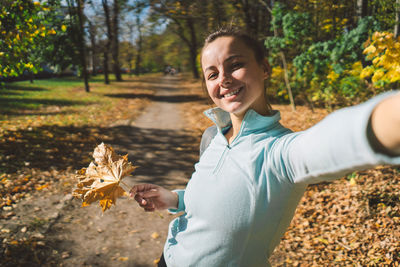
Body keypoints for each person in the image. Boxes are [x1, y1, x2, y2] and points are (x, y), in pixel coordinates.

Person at [130, 27, 400, 267]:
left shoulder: (281, 152)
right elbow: (215, 196)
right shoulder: (212, 136)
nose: (223, 79)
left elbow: (338, 137)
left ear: (265, 68)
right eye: (212, 74)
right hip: (169, 257)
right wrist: (176, 199)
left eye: (234, 64)